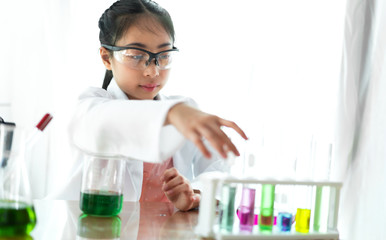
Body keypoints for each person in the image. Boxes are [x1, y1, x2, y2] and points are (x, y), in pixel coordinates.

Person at [62, 0, 247, 211]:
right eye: (137, 56)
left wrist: (195, 193)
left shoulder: (184, 108)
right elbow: (103, 122)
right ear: (106, 57)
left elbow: (219, 171)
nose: (153, 71)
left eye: (164, 56)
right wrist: (173, 113)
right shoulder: (92, 104)